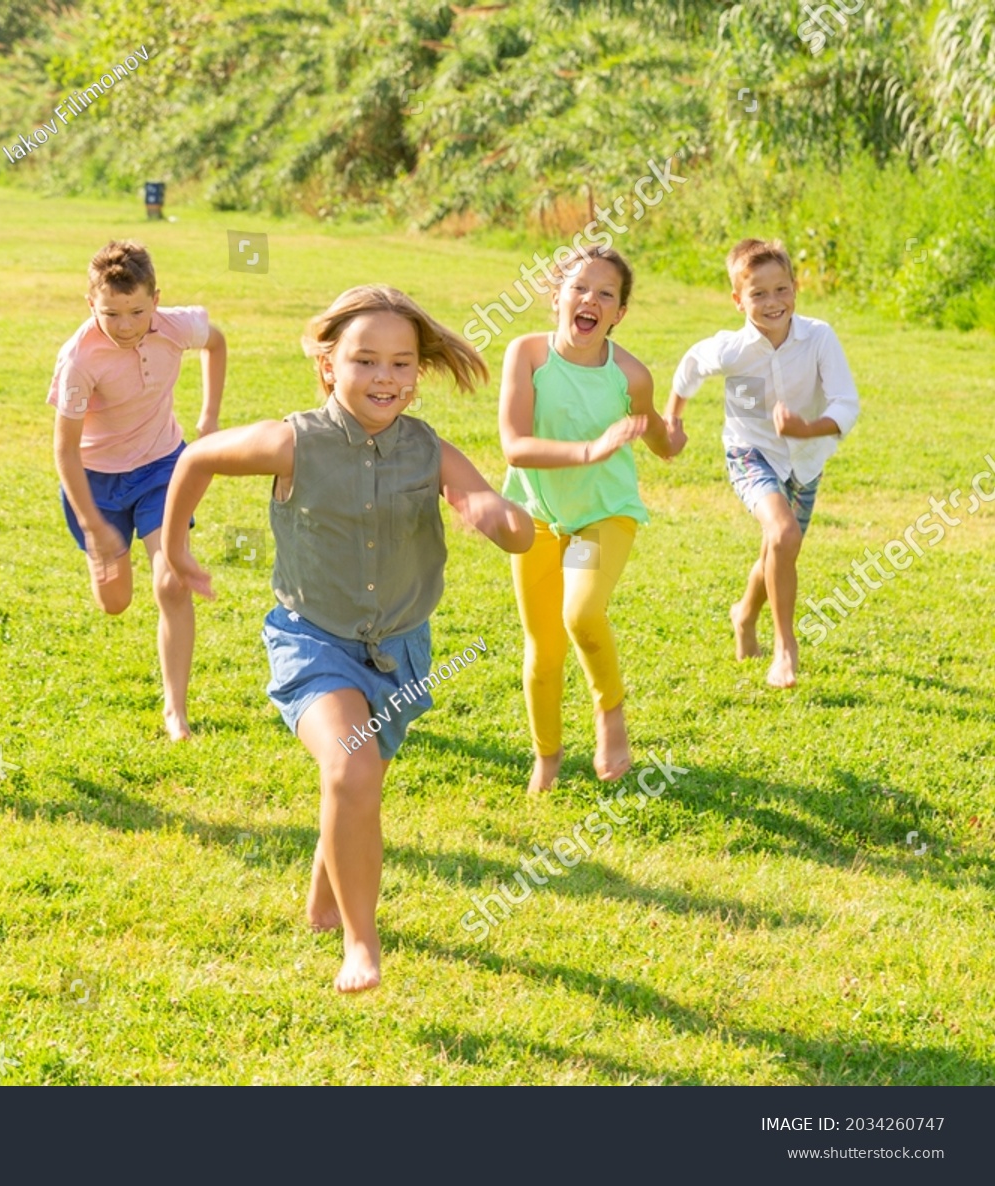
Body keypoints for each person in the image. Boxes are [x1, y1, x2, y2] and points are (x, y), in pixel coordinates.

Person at [162, 285, 533, 992]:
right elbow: (197, 459)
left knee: (354, 781)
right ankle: (362, 947)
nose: (385, 378)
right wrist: (175, 552)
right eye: (365, 361)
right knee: (353, 769)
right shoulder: (292, 441)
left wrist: (491, 512)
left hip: (402, 652)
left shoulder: (429, 451)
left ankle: (323, 908)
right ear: (329, 365)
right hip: (313, 640)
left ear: (417, 373)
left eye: (400, 363)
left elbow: (518, 532)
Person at [499, 246, 675, 792]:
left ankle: (610, 716)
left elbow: (660, 440)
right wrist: (588, 449)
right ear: (556, 297)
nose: (590, 300)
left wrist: (674, 437)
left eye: (606, 294)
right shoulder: (527, 353)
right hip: (539, 520)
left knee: (581, 612)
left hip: (600, 519)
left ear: (619, 313)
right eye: (579, 288)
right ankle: (546, 761)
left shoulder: (630, 376)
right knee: (543, 650)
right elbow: (515, 445)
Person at [48, 239, 227, 741]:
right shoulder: (79, 360)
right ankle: (105, 552)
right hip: (96, 481)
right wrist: (91, 523)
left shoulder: (176, 325)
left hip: (162, 466)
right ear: (91, 305)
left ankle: (176, 711)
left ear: (156, 298)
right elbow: (64, 450)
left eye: (137, 311)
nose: (126, 325)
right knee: (115, 601)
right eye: (111, 313)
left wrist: (209, 416)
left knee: (170, 581)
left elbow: (217, 343)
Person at [664, 238, 858, 688]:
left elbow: (846, 403)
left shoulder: (819, 337)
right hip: (749, 452)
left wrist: (805, 429)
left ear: (795, 288)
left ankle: (744, 614)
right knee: (783, 533)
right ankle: (785, 648)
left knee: (781, 546)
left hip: (805, 460)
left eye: (781, 289)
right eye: (758, 293)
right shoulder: (732, 349)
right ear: (738, 300)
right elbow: (690, 367)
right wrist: (672, 420)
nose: (772, 302)